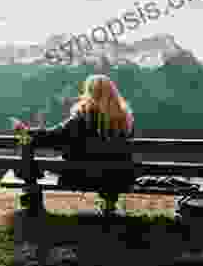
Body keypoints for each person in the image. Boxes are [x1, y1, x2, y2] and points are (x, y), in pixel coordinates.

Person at [28, 74, 135, 213]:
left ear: (89, 93)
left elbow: (53, 137)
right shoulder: (124, 120)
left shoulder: (82, 117)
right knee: (110, 166)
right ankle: (109, 205)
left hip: (81, 177)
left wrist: (27, 132)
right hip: (118, 178)